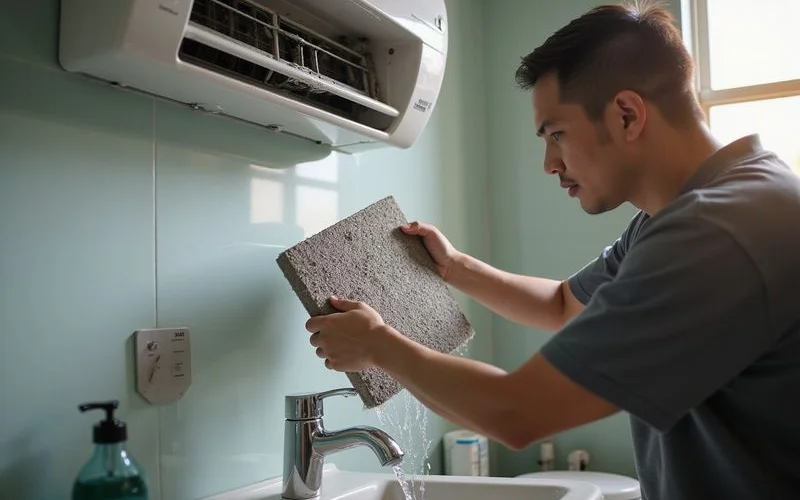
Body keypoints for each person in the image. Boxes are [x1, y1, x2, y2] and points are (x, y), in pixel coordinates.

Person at [304, 2, 800, 499]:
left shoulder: (719, 232)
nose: (549, 163)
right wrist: (456, 268)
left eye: (556, 134)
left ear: (627, 115)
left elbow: (518, 412)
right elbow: (564, 305)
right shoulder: (678, 216)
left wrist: (379, 346)